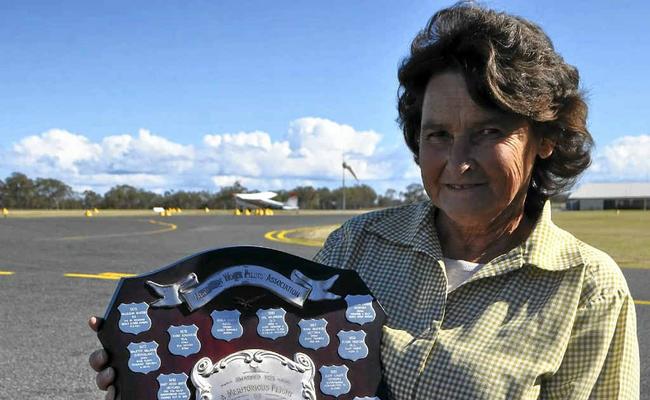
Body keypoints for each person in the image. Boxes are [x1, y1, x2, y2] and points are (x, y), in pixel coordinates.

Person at [89, 3, 640, 399]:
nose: (458, 161)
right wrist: (157, 365)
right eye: (438, 135)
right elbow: (274, 367)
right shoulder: (353, 246)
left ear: (544, 139)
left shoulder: (588, 287)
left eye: (489, 131)